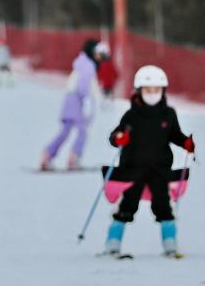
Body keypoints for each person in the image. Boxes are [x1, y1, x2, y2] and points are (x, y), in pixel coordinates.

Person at [104, 65, 195, 257]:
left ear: (163, 91)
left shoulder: (168, 114)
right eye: (147, 90)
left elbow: (175, 135)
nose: (152, 94)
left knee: (163, 205)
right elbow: (115, 136)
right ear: (139, 91)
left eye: (156, 90)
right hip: (133, 169)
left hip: (159, 170)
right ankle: (113, 242)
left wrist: (185, 142)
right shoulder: (132, 115)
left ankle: (170, 243)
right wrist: (118, 138)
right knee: (127, 205)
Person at [41, 39, 102, 170]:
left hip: (70, 99)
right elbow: (83, 85)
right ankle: (74, 158)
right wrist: (86, 101)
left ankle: (47, 155)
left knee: (65, 131)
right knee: (83, 131)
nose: (100, 55)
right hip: (78, 100)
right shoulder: (89, 65)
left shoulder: (82, 63)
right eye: (98, 52)